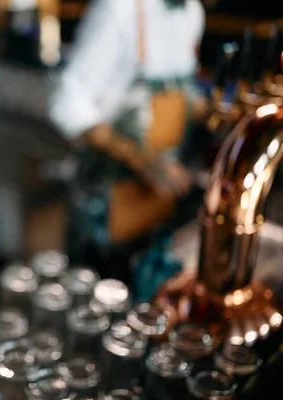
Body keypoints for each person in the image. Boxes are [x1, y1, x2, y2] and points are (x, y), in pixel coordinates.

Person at [50, 0, 208, 282]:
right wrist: (141, 159)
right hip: (106, 201)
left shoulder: (193, 12)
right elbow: (68, 102)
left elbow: (180, 86)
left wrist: (206, 108)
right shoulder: (118, 10)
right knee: (95, 292)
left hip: (158, 196)